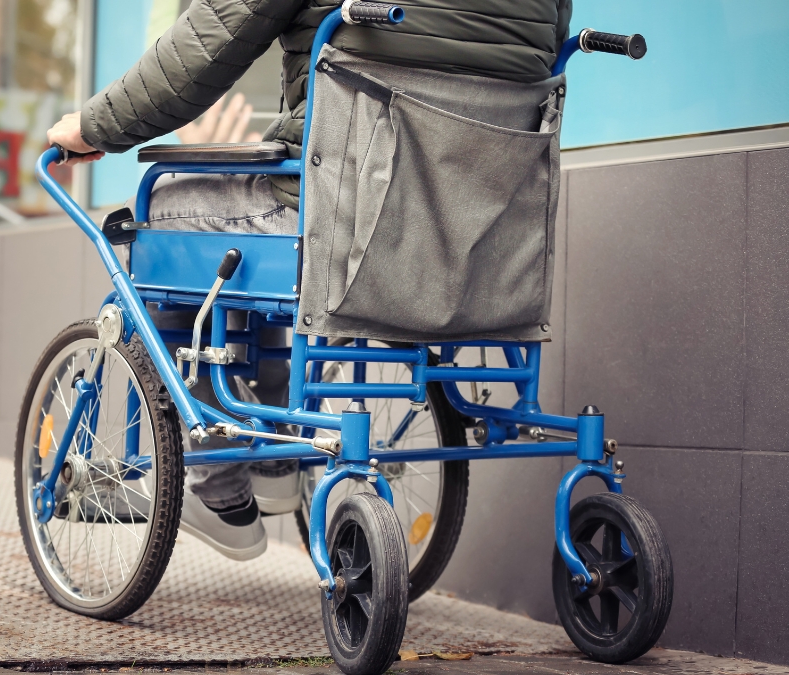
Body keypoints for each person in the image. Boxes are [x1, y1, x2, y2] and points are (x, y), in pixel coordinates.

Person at [48, 0, 572, 560]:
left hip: (340, 219)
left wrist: (95, 125)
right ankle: (274, 462)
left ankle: (220, 485)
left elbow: (211, 40)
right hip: (479, 232)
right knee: (259, 247)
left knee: (153, 216)